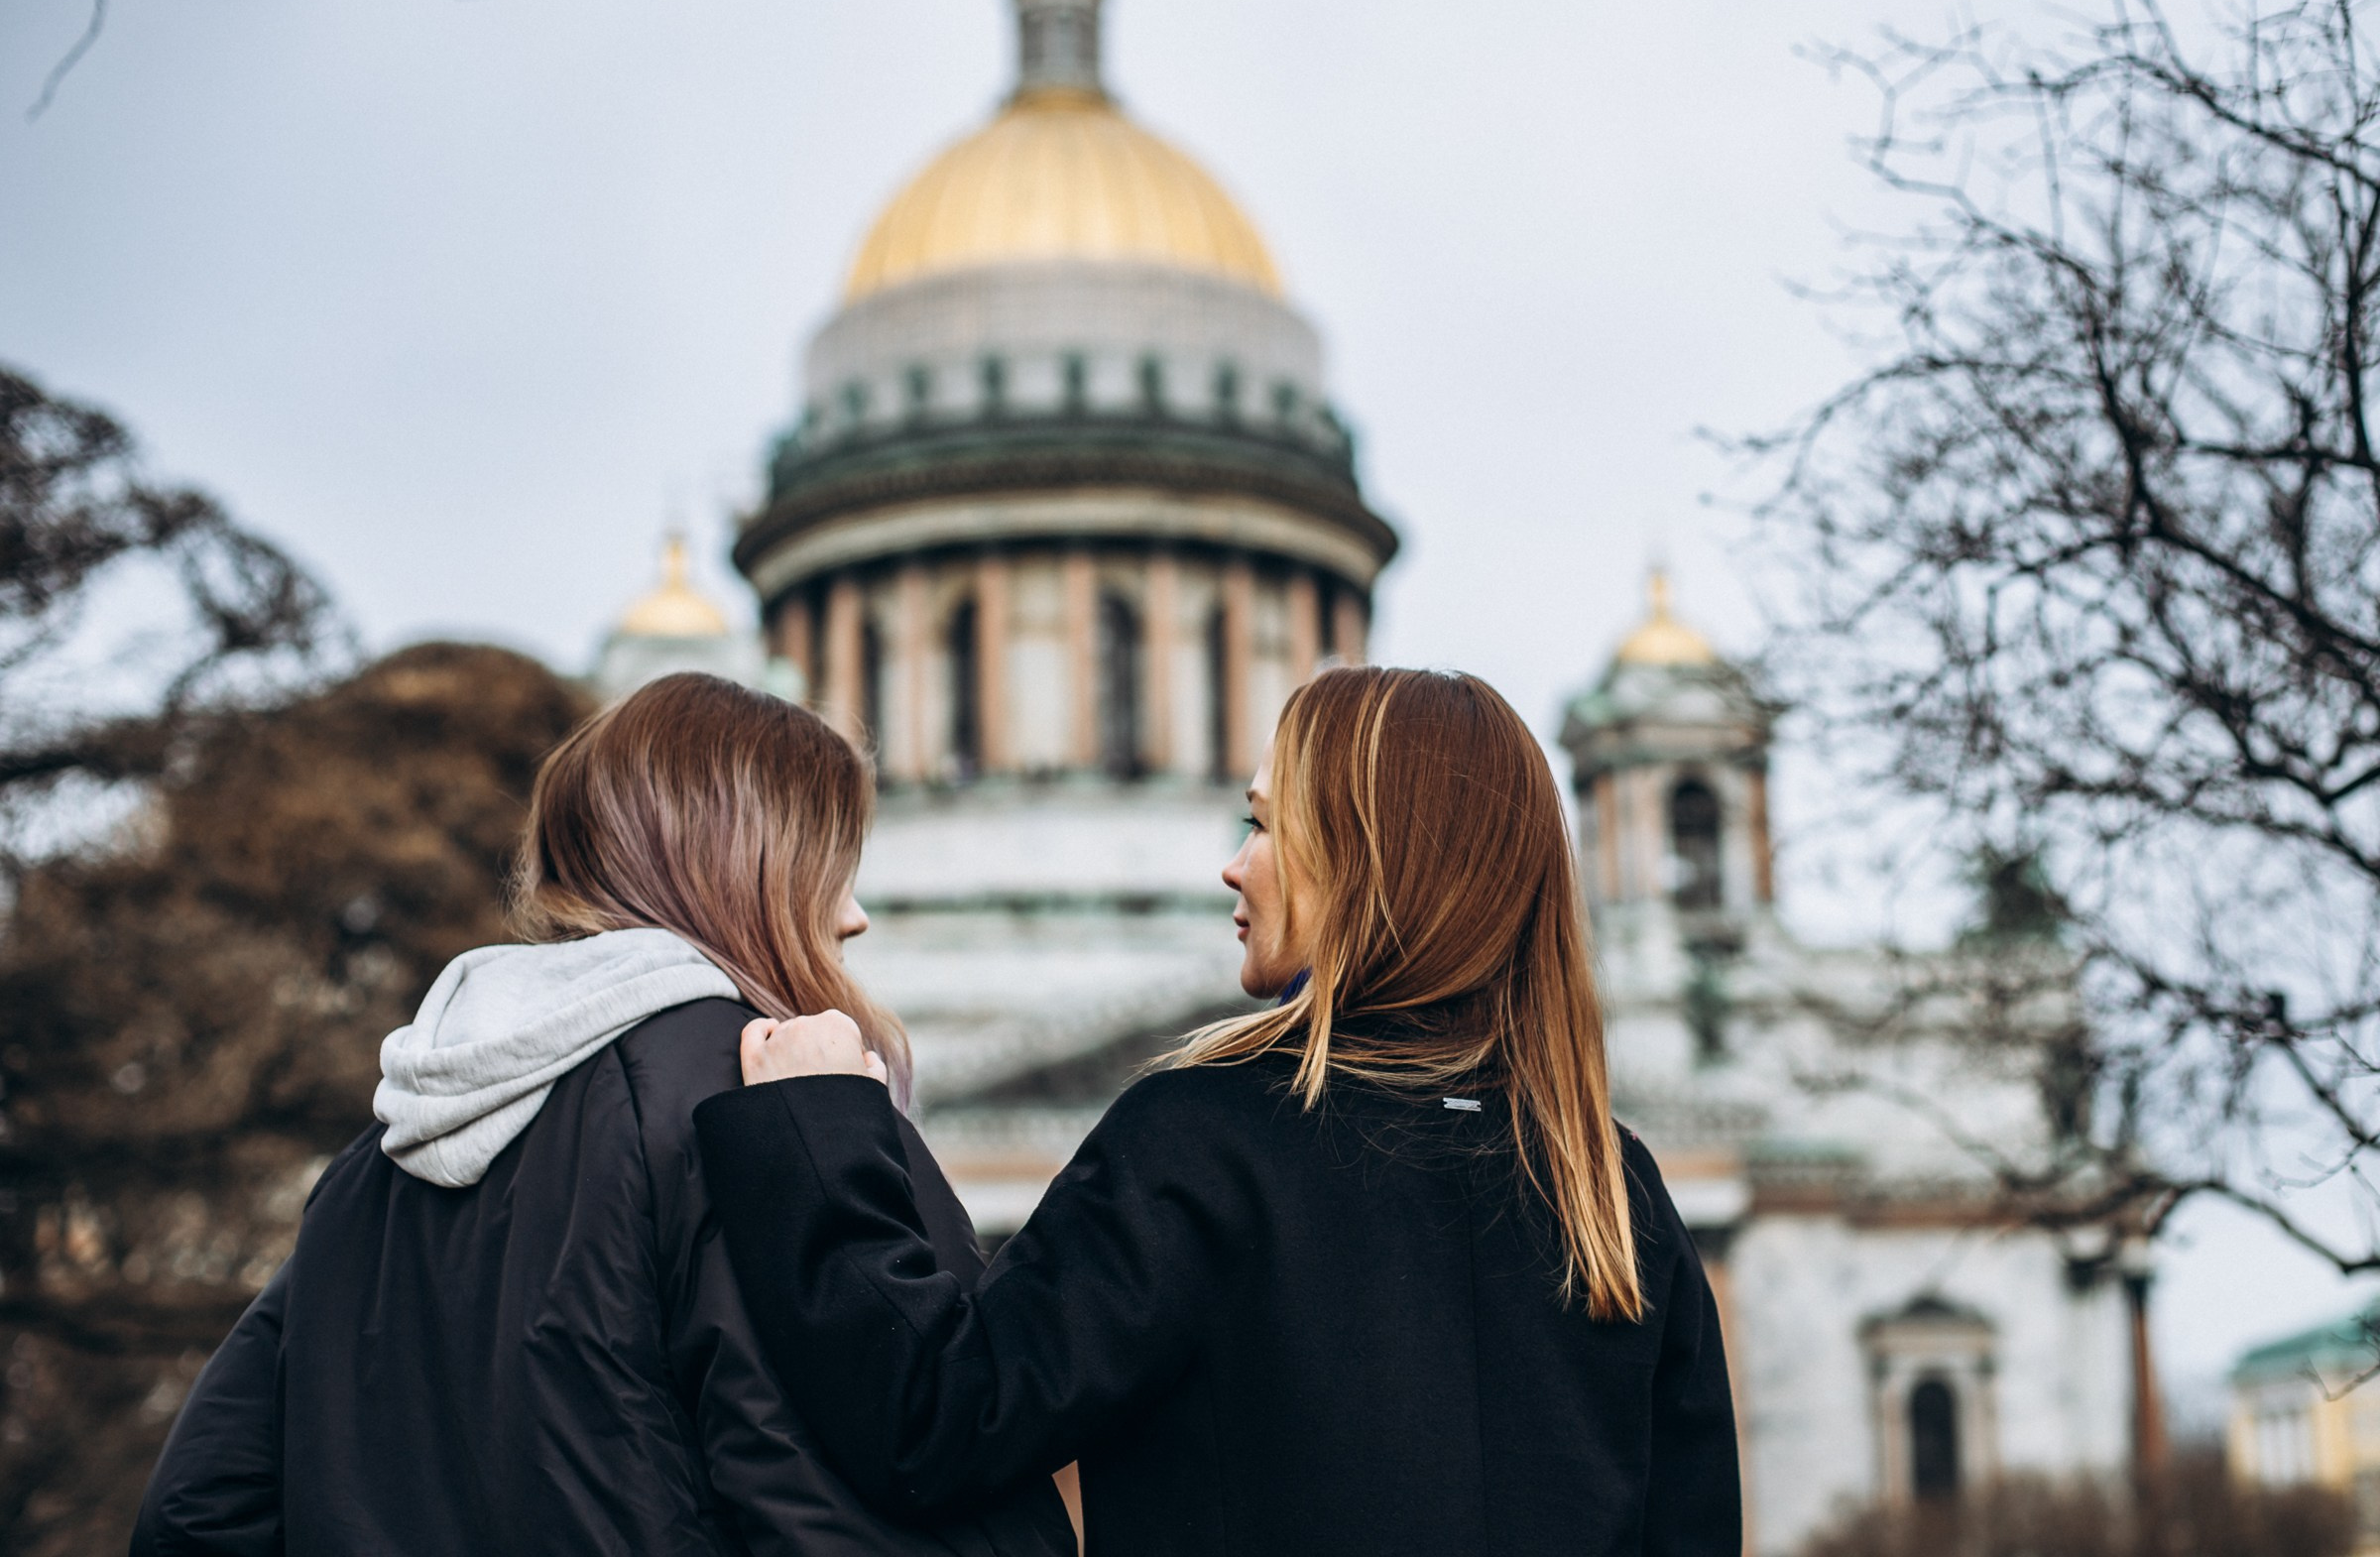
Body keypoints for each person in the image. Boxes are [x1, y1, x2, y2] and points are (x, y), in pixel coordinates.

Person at [695, 664, 1741, 1557]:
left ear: (1365, 857)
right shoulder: (1613, 1188)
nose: (1233, 865)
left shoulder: (1205, 1143)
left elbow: (939, 1421)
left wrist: (819, 1133)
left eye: (1265, 824)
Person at [132, 674, 1075, 1557]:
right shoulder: (773, 1104)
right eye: (828, 868)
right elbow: (841, 1493)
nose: (853, 917)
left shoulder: (380, 1155)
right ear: (742, 869)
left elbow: (197, 1506)